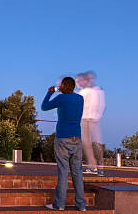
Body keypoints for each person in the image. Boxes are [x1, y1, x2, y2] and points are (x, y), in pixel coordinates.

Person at [41, 77, 86, 211]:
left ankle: (59, 204)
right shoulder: (80, 99)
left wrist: (50, 92)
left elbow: (44, 107)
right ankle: (81, 205)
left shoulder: (61, 99)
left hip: (62, 139)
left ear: (64, 86)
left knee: (63, 172)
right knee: (77, 173)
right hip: (77, 139)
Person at [76, 71, 106, 176]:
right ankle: (92, 166)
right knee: (86, 144)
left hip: (93, 120)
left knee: (96, 143)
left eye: (79, 80)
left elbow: (101, 105)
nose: (78, 83)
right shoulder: (80, 93)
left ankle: (100, 167)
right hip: (83, 120)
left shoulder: (97, 90)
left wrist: (96, 117)